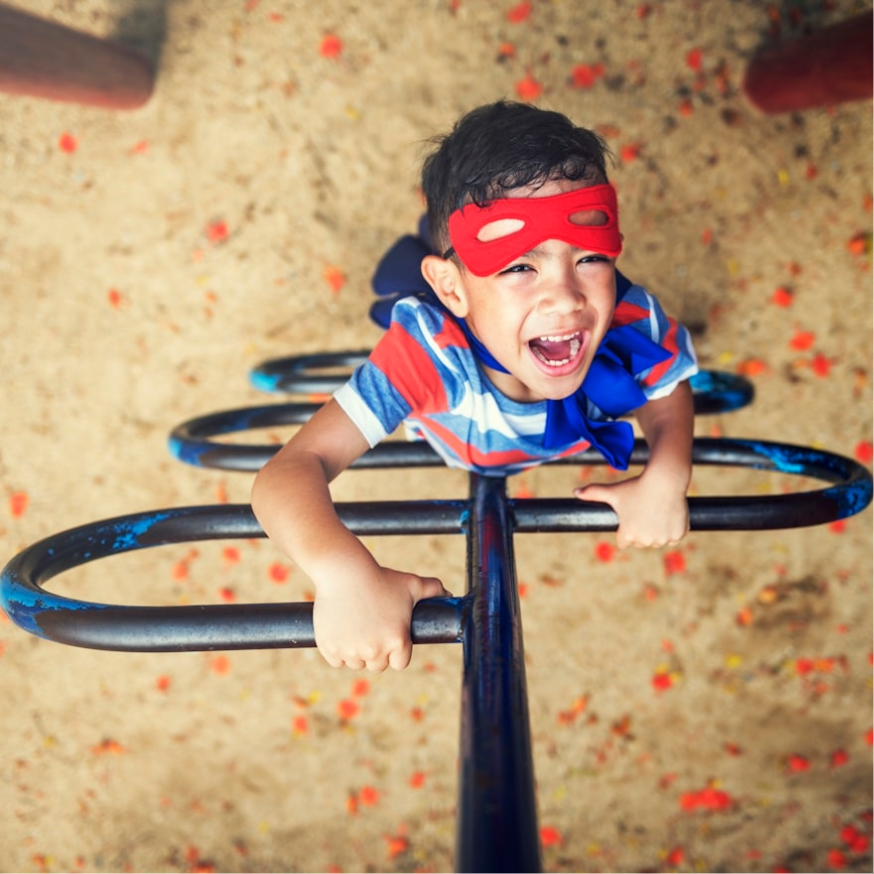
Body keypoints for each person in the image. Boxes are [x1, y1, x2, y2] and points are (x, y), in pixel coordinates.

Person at [251, 101, 698, 673]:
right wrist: (343, 574)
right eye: (519, 267)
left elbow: (667, 391)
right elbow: (286, 473)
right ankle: (438, 254)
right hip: (451, 431)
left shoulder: (630, 319)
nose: (566, 297)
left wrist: (667, 474)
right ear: (452, 292)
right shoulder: (427, 356)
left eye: (588, 257)